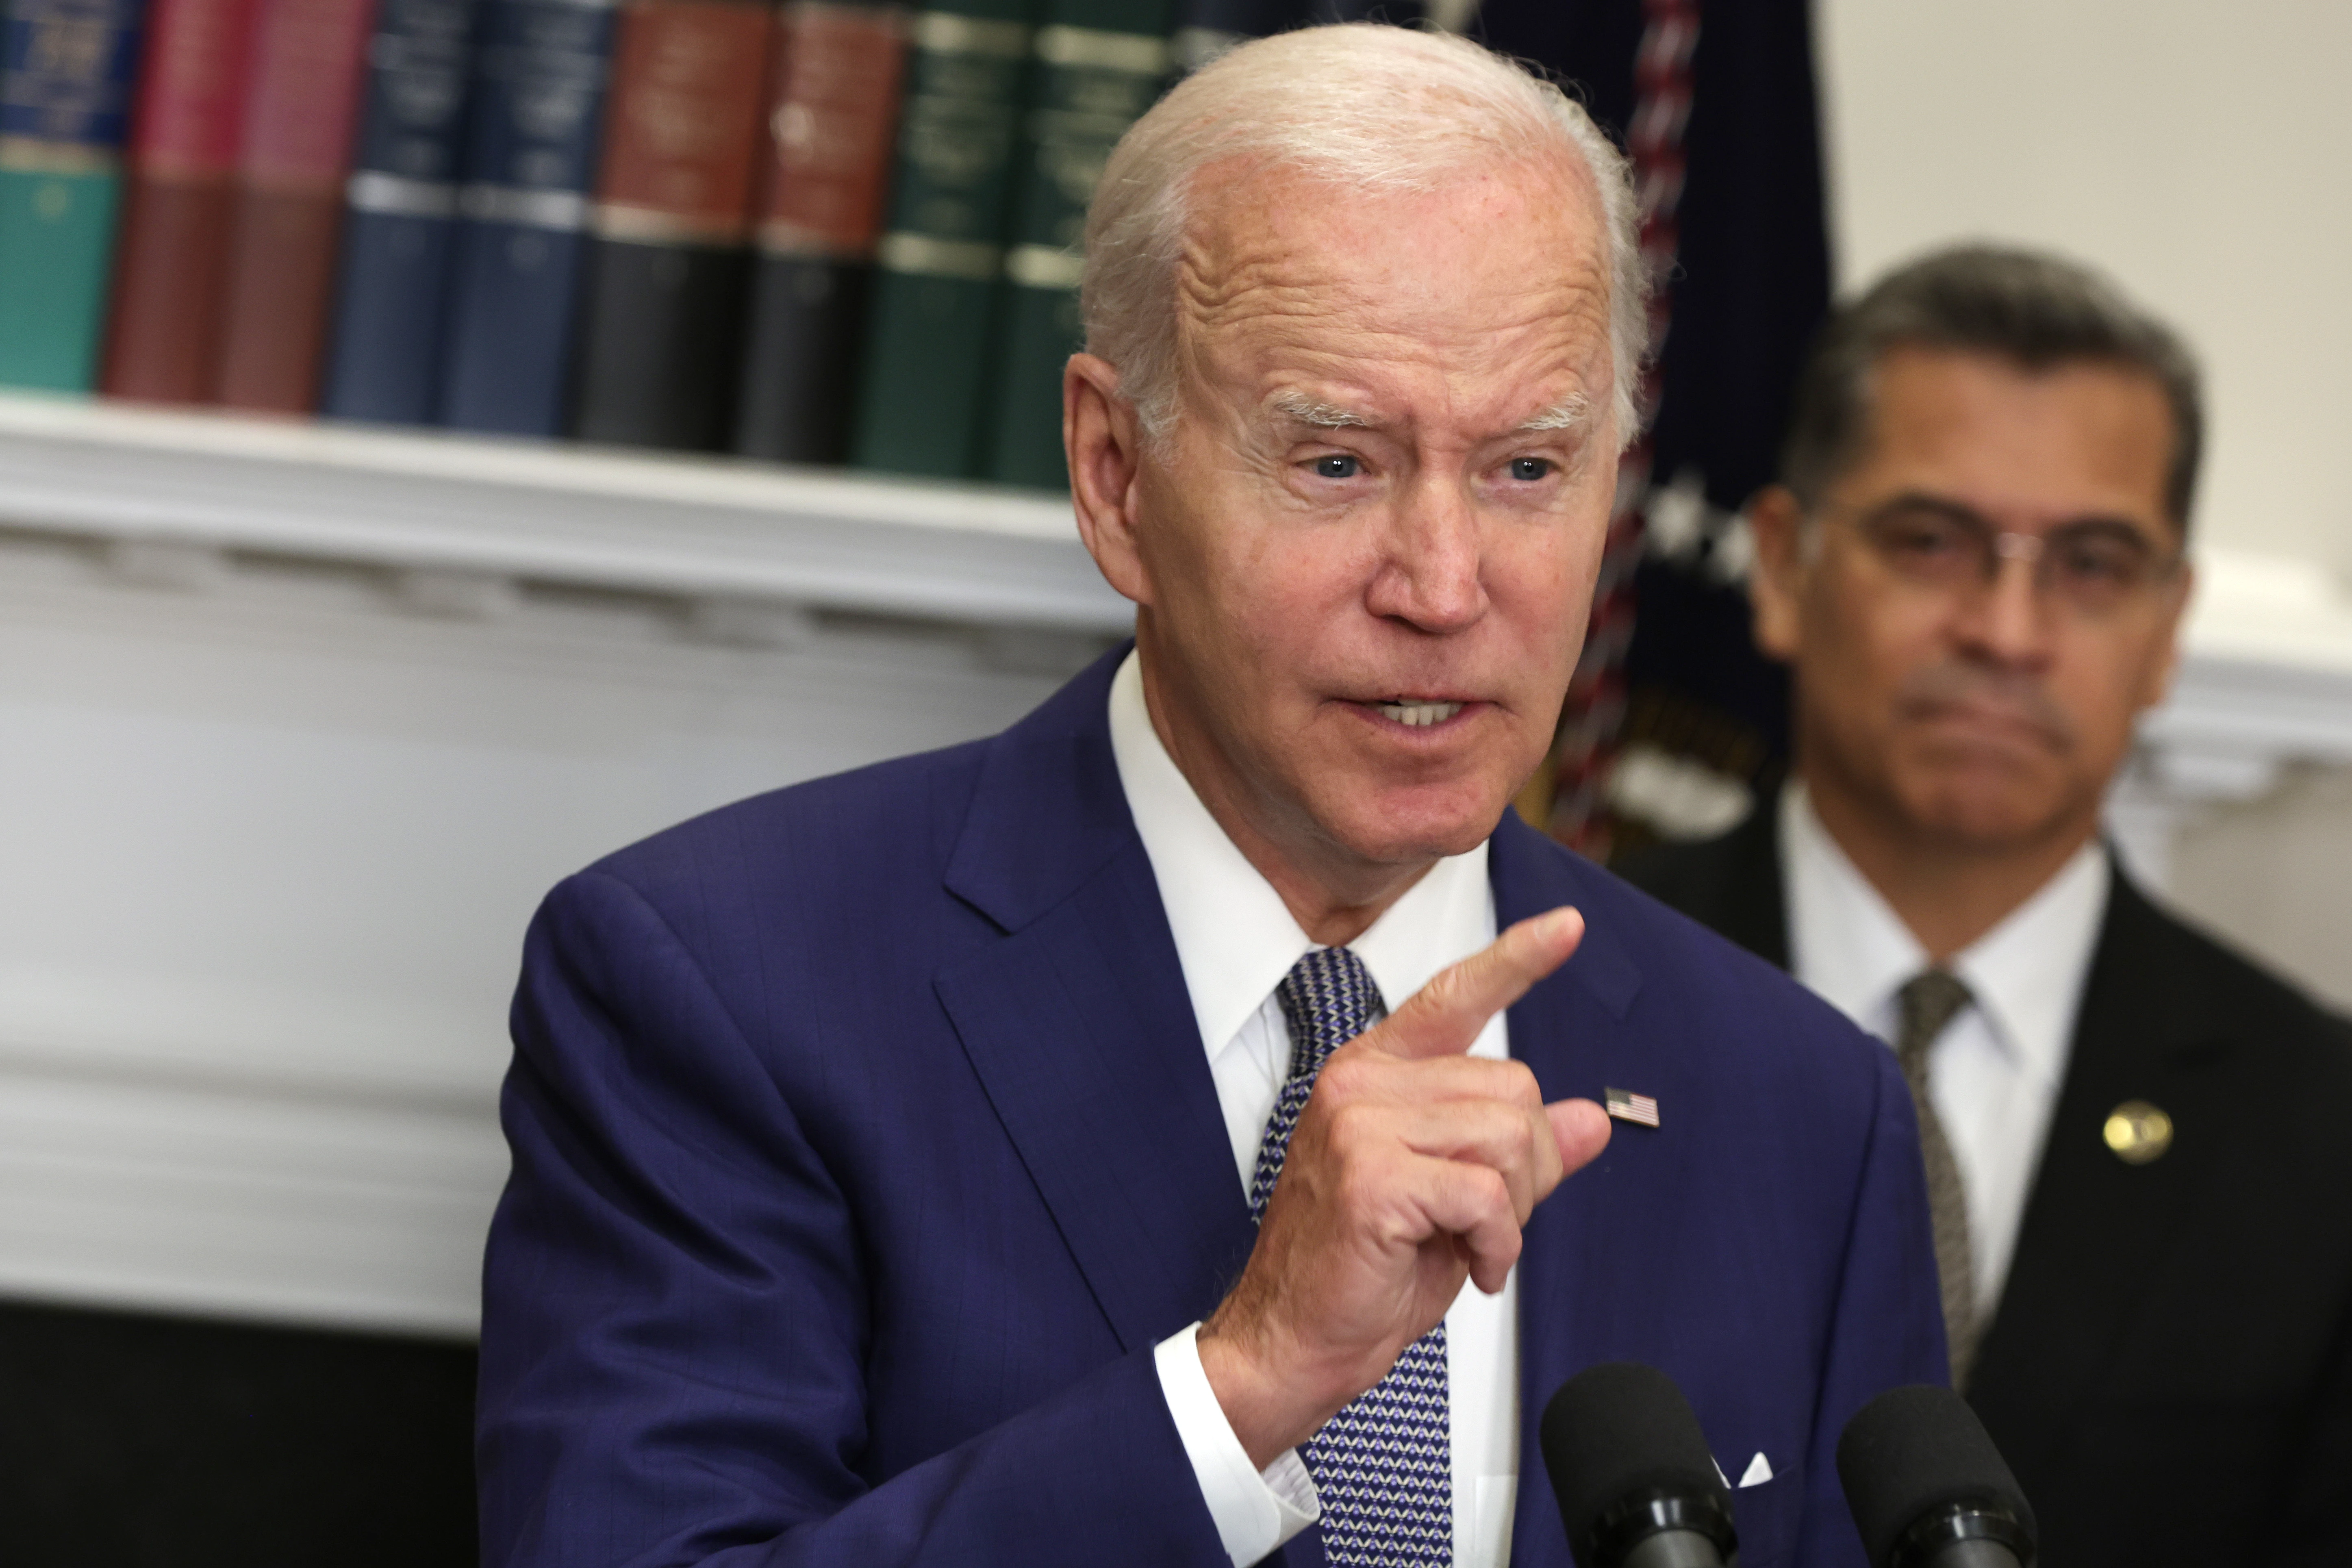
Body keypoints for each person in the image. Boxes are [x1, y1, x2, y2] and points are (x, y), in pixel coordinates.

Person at [476, 26, 1945, 1568]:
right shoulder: (720, 992)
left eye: (1526, 467)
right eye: (1335, 463)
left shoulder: (1803, 1115)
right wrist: (1239, 1391)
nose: (1445, 588)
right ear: (1116, 476)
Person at [1620, 247, 2352, 1566]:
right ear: (1783, 567)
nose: (2009, 633)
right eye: (1933, 543)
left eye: (2091, 563)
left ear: (2168, 626)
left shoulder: (2321, 1128)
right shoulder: (1559, 998)